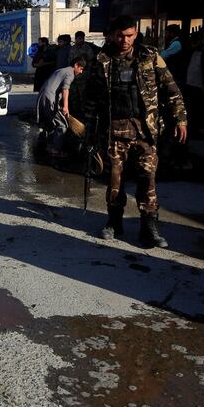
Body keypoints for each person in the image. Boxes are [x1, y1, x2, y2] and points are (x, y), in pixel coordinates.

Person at [84, 15, 187, 249]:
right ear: (111, 35)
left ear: (136, 33)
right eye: (120, 35)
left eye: (129, 35)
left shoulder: (150, 57)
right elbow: (91, 99)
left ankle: (149, 227)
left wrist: (181, 119)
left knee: (147, 178)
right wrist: (89, 133)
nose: (124, 40)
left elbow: (172, 89)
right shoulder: (100, 60)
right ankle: (114, 222)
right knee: (114, 180)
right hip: (115, 131)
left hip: (146, 131)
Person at [36, 56, 87, 156]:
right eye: (81, 69)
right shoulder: (70, 73)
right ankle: (55, 149)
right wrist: (65, 106)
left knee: (51, 124)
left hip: (43, 97)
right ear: (76, 65)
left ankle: (49, 147)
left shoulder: (62, 70)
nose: (81, 72)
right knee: (62, 125)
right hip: (49, 99)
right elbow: (65, 89)